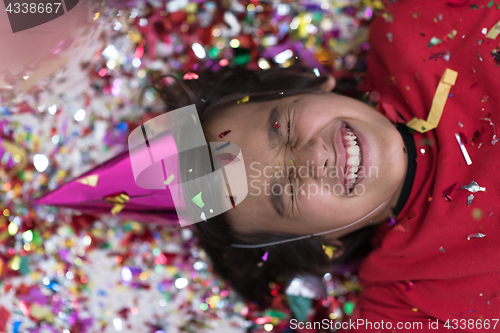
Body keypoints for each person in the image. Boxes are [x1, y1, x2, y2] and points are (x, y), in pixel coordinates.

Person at [151, 0, 500, 330]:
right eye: (287, 190)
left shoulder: (415, 26)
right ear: (321, 243)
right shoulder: (403, 304)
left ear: (314, 84)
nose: (316, 156)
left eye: (282, 127)